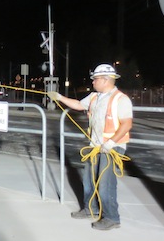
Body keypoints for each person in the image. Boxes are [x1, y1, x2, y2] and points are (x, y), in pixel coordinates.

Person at [48, 63, 133, 231]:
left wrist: (110, 143)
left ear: (106, 80)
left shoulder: (121, 100)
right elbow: (79, 105)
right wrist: (59, 97)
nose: (92, 81)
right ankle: (90, 209)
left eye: (95, 79)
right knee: (88, 181)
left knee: (105, 184)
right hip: (95, 146)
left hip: (112, 148)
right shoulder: (95, 97)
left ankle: (111, 218)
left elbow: (126, 124)